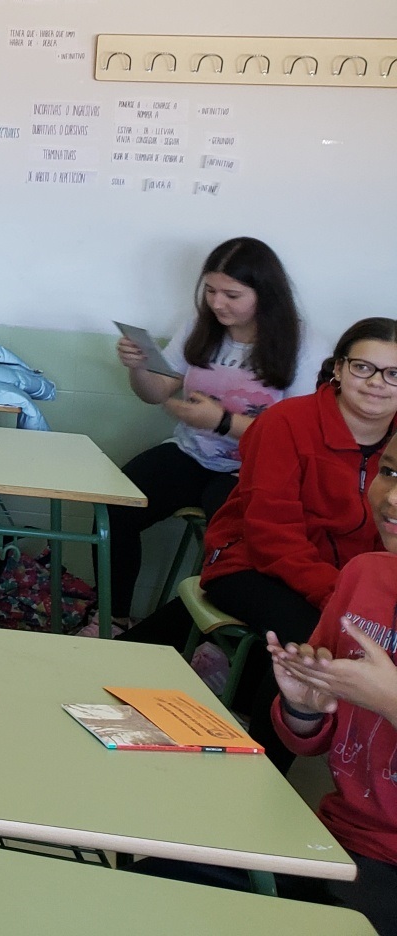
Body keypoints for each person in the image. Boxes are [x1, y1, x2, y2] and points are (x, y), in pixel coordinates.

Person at [126, 319, 397, 769]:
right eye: (363, 367)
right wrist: (342, 598)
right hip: (249, 561)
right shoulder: (285, 423)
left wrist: (358, 595)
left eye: (393, 373)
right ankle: (264, 774)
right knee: (309, 643)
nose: (377, 383)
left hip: (342, 582)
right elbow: (272, 536)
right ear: (338, 368)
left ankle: (221, 674)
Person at [108, 238, 316, 625]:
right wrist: (138, 367)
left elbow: (297, 437)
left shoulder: (303, 344)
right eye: (210, 291)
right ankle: (114, 619)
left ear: (265, 294)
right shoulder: (199, 326)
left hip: (251, 471)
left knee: (234, 551)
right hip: (192, 452)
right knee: (115, 506)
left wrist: (221, 421)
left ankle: (210, 641)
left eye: (232, 295)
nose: (218, 304)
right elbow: (155, 393)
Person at [269, 334, 397, 934]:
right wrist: (303, 707)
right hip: (344, 836)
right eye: (390, 471)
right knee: (171, 874)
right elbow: (314, 741)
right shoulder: (365, 576)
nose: (393, 499)